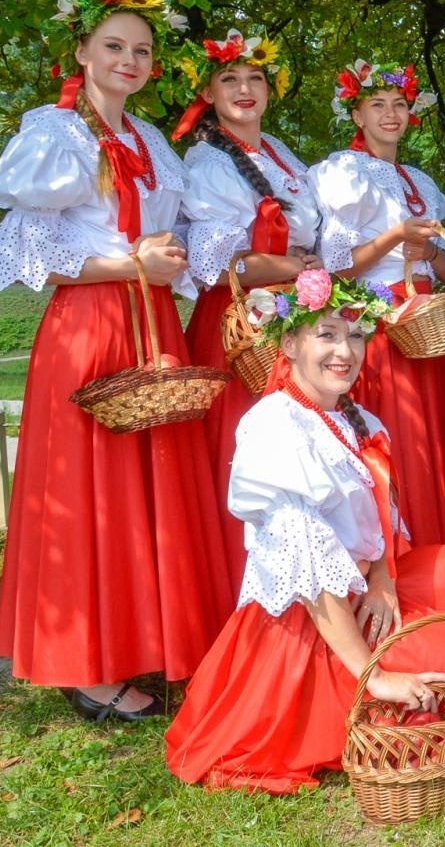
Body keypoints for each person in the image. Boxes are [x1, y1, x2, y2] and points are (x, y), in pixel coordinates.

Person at [0, 0, 234, 720]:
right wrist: (132, 265)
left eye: (142, 51)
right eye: (115, 46)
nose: (129, 60)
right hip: (93, 321)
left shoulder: (150, 140)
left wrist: (188, 255)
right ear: (83, 51)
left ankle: (154, 643)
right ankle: (87, 668)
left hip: (153, 316)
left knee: (153, 488)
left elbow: (184, 226)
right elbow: (32, 253)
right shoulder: (56, 136)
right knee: (91, 495)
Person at [165, 270, 445, 793]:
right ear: (290, 343)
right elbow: (313, 572)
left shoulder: (356, 418)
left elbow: (381, 524)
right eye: (327, 335)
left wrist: (384, 579)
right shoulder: (275, 427)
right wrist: (376, 678)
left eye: (356, 336)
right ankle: (360, 693)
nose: (346, 350)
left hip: (364, 592)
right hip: (312, 626)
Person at [178, 29, 323, 586]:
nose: (244, 88)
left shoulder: (280, 155)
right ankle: (235, 583)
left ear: (270, 88)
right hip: (240, 323)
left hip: (290, 312)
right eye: (229, 79)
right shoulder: (208, 162)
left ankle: (302, 577)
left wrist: (305, 271)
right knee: (245, 449)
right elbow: (221, 263)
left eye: (254, 78)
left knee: (299, 447)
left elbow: (312, 238)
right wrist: (295, 268)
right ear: (209, 93)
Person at [309, 60, 445, 546]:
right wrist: (394, 238)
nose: (390, 114)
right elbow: (338, 265)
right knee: (395, 429)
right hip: (378, 319)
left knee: (430, 435)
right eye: (377, 104)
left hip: (427, 320)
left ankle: (437, 540)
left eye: (399, 104)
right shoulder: (344, 171)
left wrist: (428, 251)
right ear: (356, 114)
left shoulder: (420, 183)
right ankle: (392, 548)